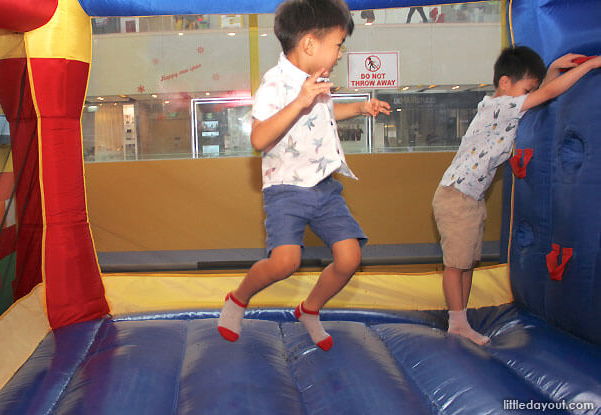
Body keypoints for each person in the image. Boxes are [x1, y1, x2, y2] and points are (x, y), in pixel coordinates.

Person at [217, 0, 391, 351]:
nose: (340, 54)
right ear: (310, 44)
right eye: (338, 44)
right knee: (285, 262)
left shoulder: (318, 82)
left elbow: (323, 115)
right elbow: (258, 138)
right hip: (286, 189)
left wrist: (358, 108)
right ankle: (238, 298)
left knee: (349, 258)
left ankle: (309, 309)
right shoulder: (276, 83)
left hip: (324, 187)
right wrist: (299, 101)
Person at [432, 46, 601, 345]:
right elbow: (546, 96)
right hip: (457, 196)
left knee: (467, 263)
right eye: (526, 88)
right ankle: (456, 323)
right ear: (505, 83)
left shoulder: (505, 105)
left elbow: (539, 94)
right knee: (456, 264)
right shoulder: (500, 107)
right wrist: (587, 68)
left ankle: (461, 318)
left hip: (468, 197)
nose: (529, 94)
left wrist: (552, 69)